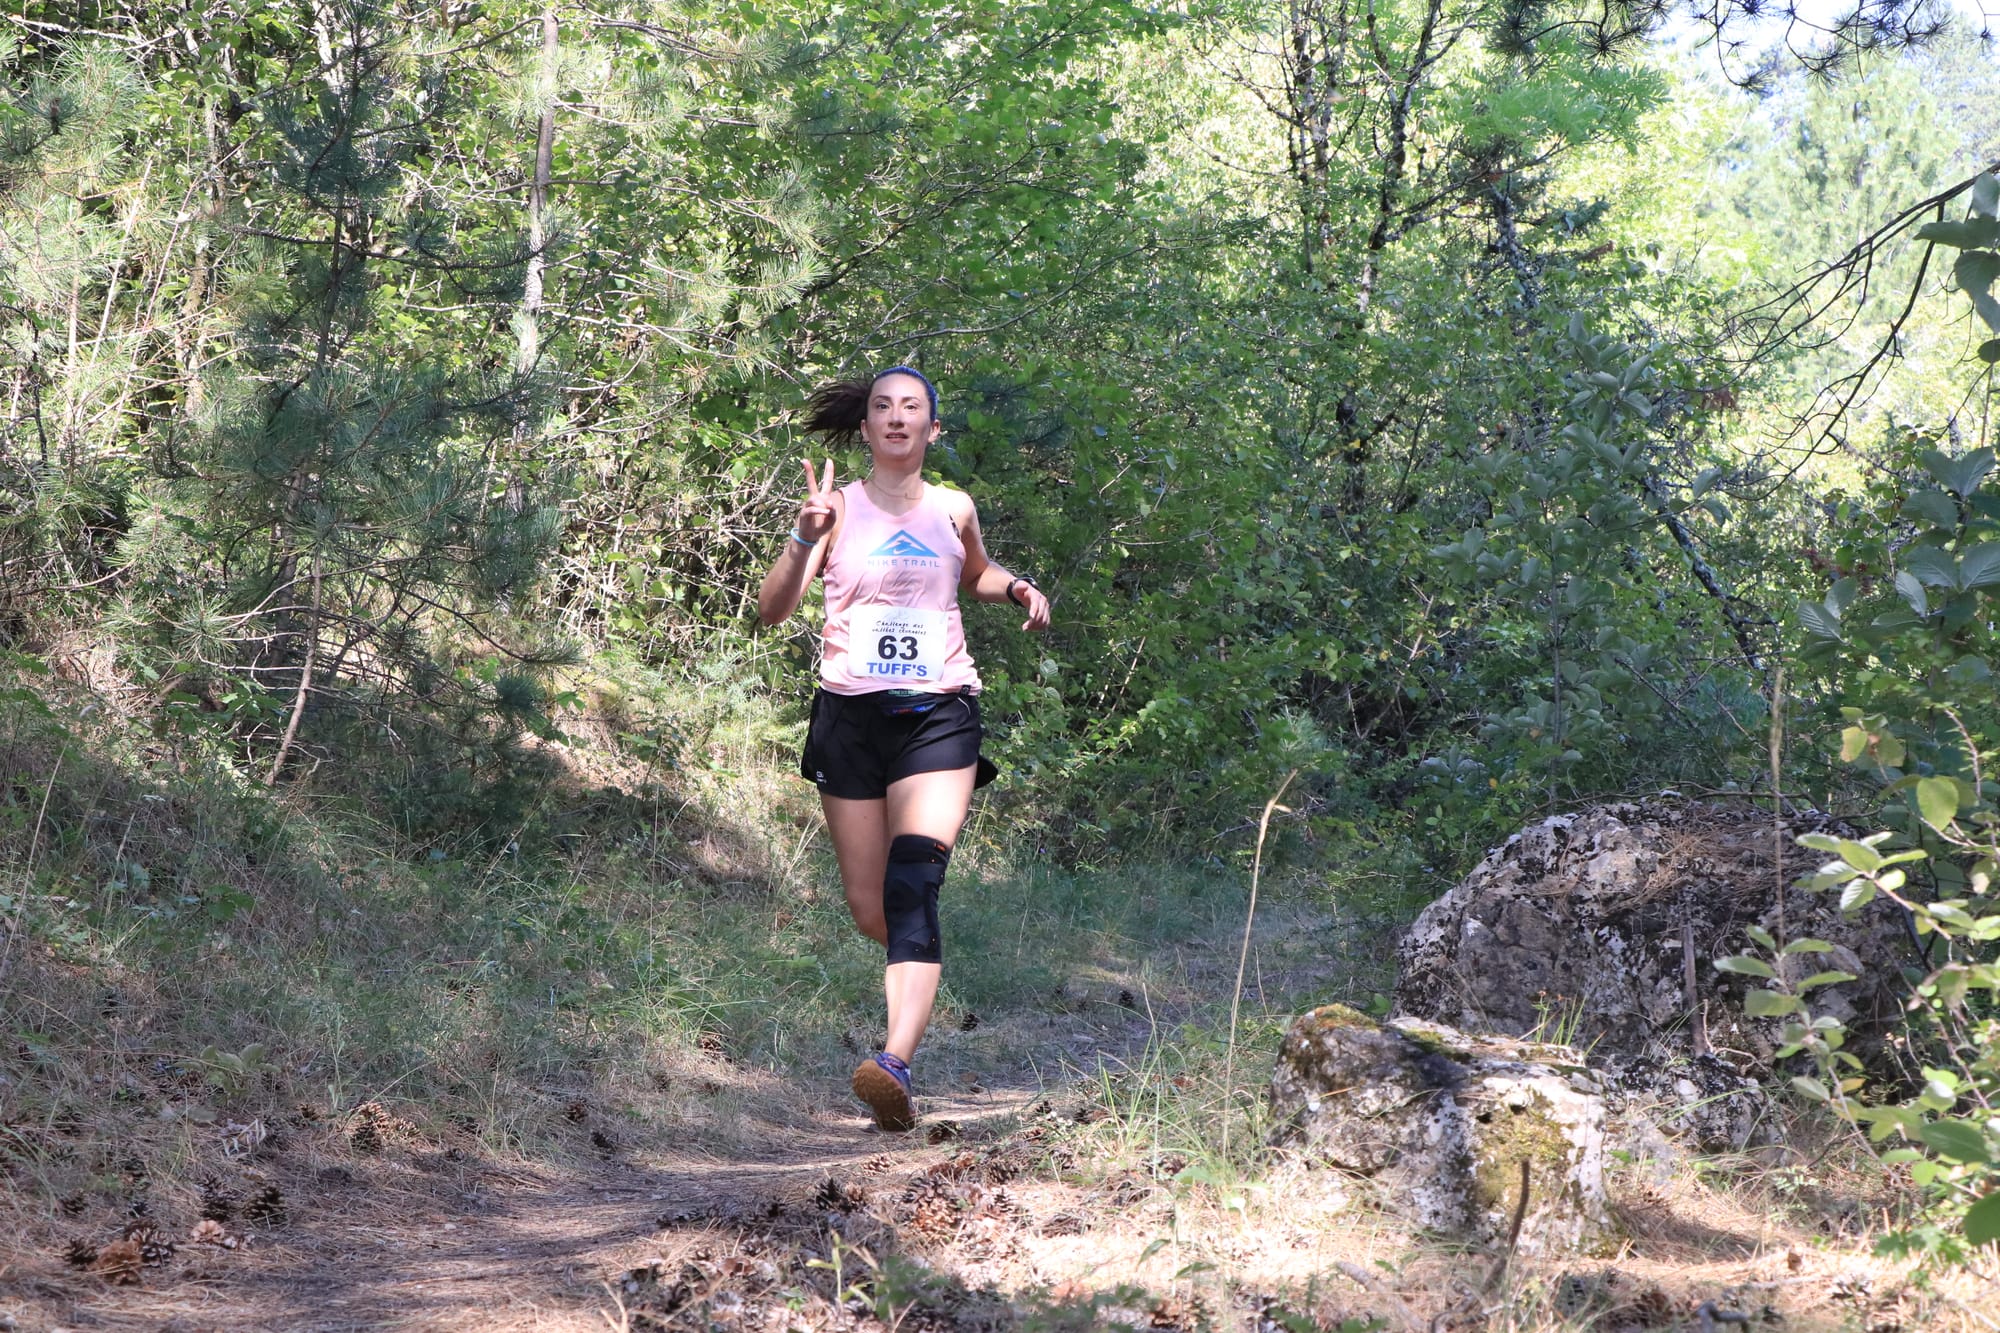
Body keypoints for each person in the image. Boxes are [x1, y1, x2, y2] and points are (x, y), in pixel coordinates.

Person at [757, 366, 1051, 1132]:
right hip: (849, 719)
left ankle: (892, 1062)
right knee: (871, 906)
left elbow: (976, 575)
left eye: (910, 408)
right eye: (882, 407)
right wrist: (802, 538)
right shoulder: (836, 510)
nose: (895, 418)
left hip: (938, 713)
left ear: (932, 430)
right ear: (865, 429)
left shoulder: (954, 509)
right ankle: (919, 965)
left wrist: (1017, 587)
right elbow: (770, 611)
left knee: (912, 881)